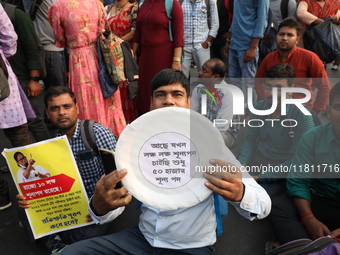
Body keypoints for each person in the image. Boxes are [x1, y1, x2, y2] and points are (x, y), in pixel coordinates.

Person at [60, 68, 271, 255]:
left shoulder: (211, 146)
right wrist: (99, 208)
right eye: (160, 95)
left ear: (189, 103)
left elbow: (263, 205)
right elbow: (118, 200)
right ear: (151, 103)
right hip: (141, 239)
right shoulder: (135, 147)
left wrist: (240, 192)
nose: (168, 100)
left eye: (177, 94)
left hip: (191, 246)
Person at [16, 86, 121, 254]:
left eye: (67, 106)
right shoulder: (54, 141)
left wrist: (97, 208)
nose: (62, 112)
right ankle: (57, 242)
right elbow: (51, 179)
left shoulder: (96, 133)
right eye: (55, 109)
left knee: (85, 234)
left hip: (97, 202)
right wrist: (32, 195)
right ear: (48, 114)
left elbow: (118, 177)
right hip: (69, 201)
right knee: (23, 205)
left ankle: (52, 238)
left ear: (77, 108)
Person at [268, 81, 340, 245]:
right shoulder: (312, 137)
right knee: (277, 206)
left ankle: (300, 246)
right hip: (318, 199)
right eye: (338, 107)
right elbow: (299, 181)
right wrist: (308, 218)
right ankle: (315, 246)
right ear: (328, 111)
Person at [48, 0, 126, 137]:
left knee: (85, 100)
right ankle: (112, 137)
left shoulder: (57, 6)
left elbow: (60, 39)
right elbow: (103, 29)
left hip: (79, 61)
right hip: (101, 59)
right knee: (107, 100)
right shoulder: (97, 3)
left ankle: (89, 137)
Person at [239, 63, 314, 198]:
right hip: (258, 158)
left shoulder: (302, 116)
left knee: (258, 196)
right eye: (268, 86)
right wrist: (242, 165)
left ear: (290, 90)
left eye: (279, 88)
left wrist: (259, 178)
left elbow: (295, 159)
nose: (271, 93)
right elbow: (249, 138)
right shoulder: (259, 107)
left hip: (282, 166)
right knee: (225, 174)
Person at [255, 17, 331, 115]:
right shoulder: (269, 58)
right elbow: (258, 82)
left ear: (297, 39)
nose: (284, 38)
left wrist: (315, 111)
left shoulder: (310, 58)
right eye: (281, 34)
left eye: (290, 35)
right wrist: (264, 102)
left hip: (301, 110)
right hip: (273, 110)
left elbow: (324, 87)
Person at [0, 3, 34, 211]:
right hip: (2, 84)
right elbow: (8, 35)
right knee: (20, 137)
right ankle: (35, 193)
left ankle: (1, 196)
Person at [1, 1, 51, 142]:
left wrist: (34, 79)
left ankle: (50, 156)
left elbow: (32, 47)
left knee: (33, 121)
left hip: (21, 78)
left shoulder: (15, 14)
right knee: (16, 127)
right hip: (7, 79)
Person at [133, 0, 184, 114]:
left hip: (163, 57)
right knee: (145, 92)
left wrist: (176, 60)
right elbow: (138, 32)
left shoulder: (171, 3)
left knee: (162, 89)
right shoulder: (143, 4)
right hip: (145, 59)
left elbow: (178, 34)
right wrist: (134, 54)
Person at [224, 0, 269, 103]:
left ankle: (251, 113)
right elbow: (236, 17)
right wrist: (228, 41)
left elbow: (262, 20)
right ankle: (236, 112)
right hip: (234, 44)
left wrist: (253, 47)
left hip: (247, 45)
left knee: (250, 84)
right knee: (234, 82)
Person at [190, 58, 239, 148]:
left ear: (215, 77)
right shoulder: (199, 88)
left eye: (205, 71)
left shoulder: (228, 93)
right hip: (204, 129)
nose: (200, 72)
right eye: (202, 69)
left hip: (226, 135)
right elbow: (192, 114)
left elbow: (221, 127)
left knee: (203, 144)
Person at [105, 0, 138, 123]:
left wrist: (115, 44)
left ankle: (128, 122)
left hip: (126, 54)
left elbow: (134, 33)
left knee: (127, 88)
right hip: (109, 56)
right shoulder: (107, 9)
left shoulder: (133, 9)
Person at [296, 0, 340, 70]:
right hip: (308, 38)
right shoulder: (306, 2)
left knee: (321, 63)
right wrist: (323, 23)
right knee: (307, 61)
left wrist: (336, 18)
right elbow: (301, 13)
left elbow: (338, 13)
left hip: (326, 41)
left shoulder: (334, 2)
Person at [181, 0, 219, 78]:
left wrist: (207, 41)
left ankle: (204, 90)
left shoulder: (208, 1)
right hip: (184, 46)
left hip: (201, 45)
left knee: (205, 76)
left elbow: (215, 23)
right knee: (181, 76)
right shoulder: (180, 1)